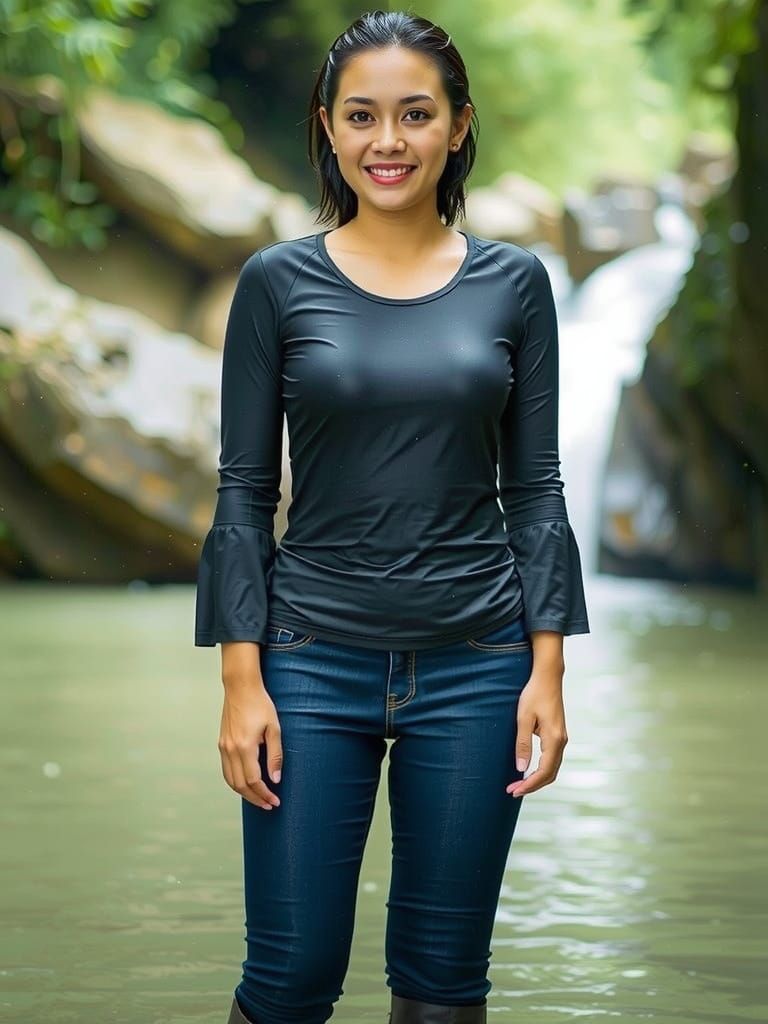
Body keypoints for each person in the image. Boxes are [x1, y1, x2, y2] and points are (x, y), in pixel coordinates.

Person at [194, 10, 590, 1024]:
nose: (389, 141)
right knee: (288, 981)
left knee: (443, 985)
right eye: (363, 116)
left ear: (458, 126)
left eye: (416, 114)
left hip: (480, 661)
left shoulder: (517, 283)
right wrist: (243, 678)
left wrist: (546, 668)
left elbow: (536, 488)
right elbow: (242, 492)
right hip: (309, 660)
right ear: (327, 127)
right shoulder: (276, 284)